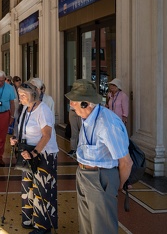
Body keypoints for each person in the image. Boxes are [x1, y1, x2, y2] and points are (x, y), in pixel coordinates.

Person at [65, 79, 133, 234]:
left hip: (101, 177)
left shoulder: (107, 123)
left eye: (73, 102)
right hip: (83, 174)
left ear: (85, 103)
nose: (70, 105)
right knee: (87, 226)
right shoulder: (87, 119)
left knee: (102, 228)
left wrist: (118, 185)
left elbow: (126, 162)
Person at [10, 82, 58, 234]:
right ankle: (29, 219)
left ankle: (43, 227)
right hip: (28, 154)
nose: (20, 99)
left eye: (23, 96)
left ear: (33, 95)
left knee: (42, 190)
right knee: (28, 187)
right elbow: (23, 129)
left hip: (43, 154)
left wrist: (34, 153)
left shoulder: (43, 110)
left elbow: (47, 135)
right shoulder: (26, 108)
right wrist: (16, 139)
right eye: (19, 95)